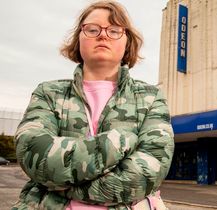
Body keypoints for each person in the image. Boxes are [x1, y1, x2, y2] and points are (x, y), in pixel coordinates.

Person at [12, 1, 174, 209]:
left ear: (127, 42)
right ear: (79, 38)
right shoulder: (49, 93)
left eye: (114, 30)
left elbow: (149, 171)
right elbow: (34, 153)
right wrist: (119, 142)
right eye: (92, 29)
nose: (103, 35)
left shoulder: (151, 97)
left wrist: (63, 186)